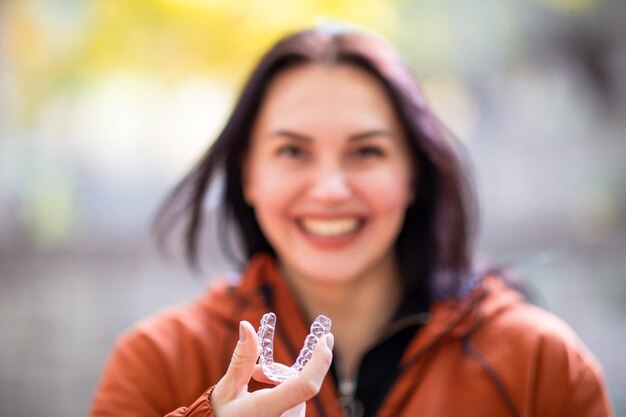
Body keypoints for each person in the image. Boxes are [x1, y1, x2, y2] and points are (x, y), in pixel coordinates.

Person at [89, 26, 614, 417]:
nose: (331, 190)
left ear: (414, 174)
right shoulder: (157, 361)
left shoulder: (541, 365)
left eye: (366, 152)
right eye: (293, 151)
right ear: (248, 175)